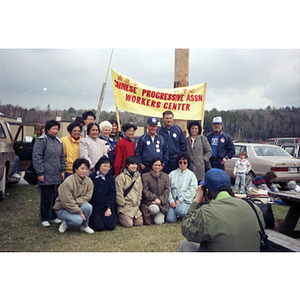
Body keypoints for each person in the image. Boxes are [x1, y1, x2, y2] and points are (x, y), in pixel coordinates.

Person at [179, 168, 265, 252]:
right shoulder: (253, 207)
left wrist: (196, 200)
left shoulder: (206, 212)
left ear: (206, 191)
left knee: (184, 245)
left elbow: (186, 229)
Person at [32, 119, 65, 227]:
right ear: (47, 129)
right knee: (46, 197)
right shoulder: (42, 141)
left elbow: (62, 158)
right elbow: (37, 158)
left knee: (55, 197)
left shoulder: (58, 142)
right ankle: (44, 217)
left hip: (56, 174)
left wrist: (62, 171)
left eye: (57, 129)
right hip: (45, 174)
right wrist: (40, 173)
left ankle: (53, 216)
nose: (55, 131)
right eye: (53, 129)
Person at [53, 158, 94, 234]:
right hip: (63, 208)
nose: (84, 171)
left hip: (76, 205)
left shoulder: (89, 181)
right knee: (78, 220)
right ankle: (65, 223)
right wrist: (79, 212)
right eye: (82, 168)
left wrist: (75, 201)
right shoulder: (68, 182)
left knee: (88, 207)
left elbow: (88, 197)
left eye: (86, 169)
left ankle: (84, 226)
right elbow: (66, 202)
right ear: (76, 169)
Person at [166, 152, 198, 223]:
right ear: (178, 163)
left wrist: (180, 200)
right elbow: (167, 189)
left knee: (179, 210)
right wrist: (171, 201)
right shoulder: (171, 174)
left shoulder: (191, 175)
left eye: (185, 162)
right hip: (173, 201)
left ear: (188, 163)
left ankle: (192, 212)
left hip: (185, 201)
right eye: (180, 162)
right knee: (170, 220)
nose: (182, 164)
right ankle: (178, 213)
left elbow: (192, 190)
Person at [89, 156, 116, 232]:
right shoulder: (91, 177)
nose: (106, 168)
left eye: (108, 166)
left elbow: (112, 194)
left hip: (106, 206)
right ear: (99, 166)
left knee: (111, 226)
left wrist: (109, 208)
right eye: (104, 166)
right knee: (99, 227)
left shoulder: (110, 178)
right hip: (95, 206)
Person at [115, 156, 143, 228]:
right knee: (129, 224)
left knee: (139, 223)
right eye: (132, 164)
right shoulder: (121, 177)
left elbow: (140, 190)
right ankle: (119, 216)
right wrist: (122, 203)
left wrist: (138, 202)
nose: (134, 166)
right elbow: (119, 192)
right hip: (125, 206)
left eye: (135, 164)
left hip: (135, 206)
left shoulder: (138, 177)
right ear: (127, 165)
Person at [141, 157, 170, 225]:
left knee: (159, 222)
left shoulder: (166, 176)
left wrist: (160, 200)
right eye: (155, 165)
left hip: (162, 204)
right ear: (152, 165)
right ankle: (150, 215)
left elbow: (167, 190)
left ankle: (155, 215)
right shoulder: (145, 176)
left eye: (159, 165)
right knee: (154, 209)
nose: (157, 167)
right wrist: (155, 198)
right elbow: (145, 191)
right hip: (150, 202)